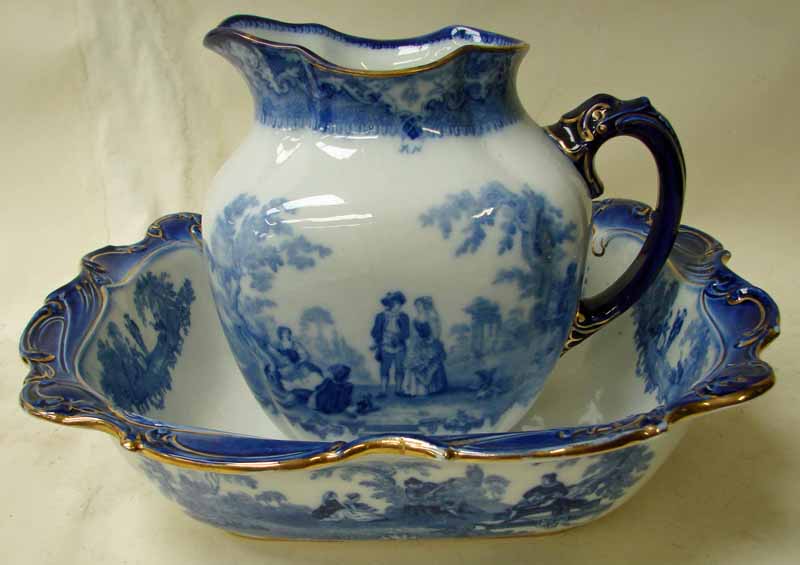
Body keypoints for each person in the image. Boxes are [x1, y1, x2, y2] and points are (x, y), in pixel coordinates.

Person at [403, 296, 448, 396]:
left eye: (419, 305)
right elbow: (412, 334)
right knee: (413, 361)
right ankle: (414, 389)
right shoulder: (415, 319)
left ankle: (433, 388)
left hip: (430, 343)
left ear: (424, 305)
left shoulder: (431, 316)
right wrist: (414, 342)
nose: (417, 307)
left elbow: (436, 332)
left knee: (431, 360)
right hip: (418, 344)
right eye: (416, 305)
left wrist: (431, 339)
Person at [370, 291, 410, 397]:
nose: (398, 306)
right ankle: (383, 391)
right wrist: (378, 340)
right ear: (389, 304)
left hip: (400, 347)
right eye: (396, 303)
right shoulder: (380, 316)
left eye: (400, 304)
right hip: (385, 346)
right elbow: (374, 331)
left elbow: (406, 333)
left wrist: (398, 337)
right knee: (384, 369)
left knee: (400, 368)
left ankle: (398, 389)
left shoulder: (404, 316)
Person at [267, 326, 324, 392]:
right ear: (281, 334)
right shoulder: (276, 345)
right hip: (285, 367)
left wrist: (300, 361)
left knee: (311, 370)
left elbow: (304, 354)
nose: (287, 334)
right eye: (284, 333)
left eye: (288, 333)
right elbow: (274, 354)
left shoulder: (295, 343)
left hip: (298, 363)